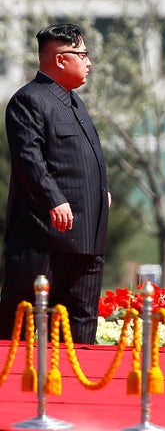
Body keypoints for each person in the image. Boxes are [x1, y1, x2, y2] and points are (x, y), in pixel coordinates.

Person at [0, 23, 111, 344]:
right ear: (61, 60)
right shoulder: (29, 100)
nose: (89, 62)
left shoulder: (75, 103)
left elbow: (82, 159)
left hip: (87, 229)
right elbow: (29, 159)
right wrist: (53, 200)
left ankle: (77, 383)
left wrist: (102, 193)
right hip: (45, 234)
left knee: (80, 315)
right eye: (83, 54)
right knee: (24, 314)